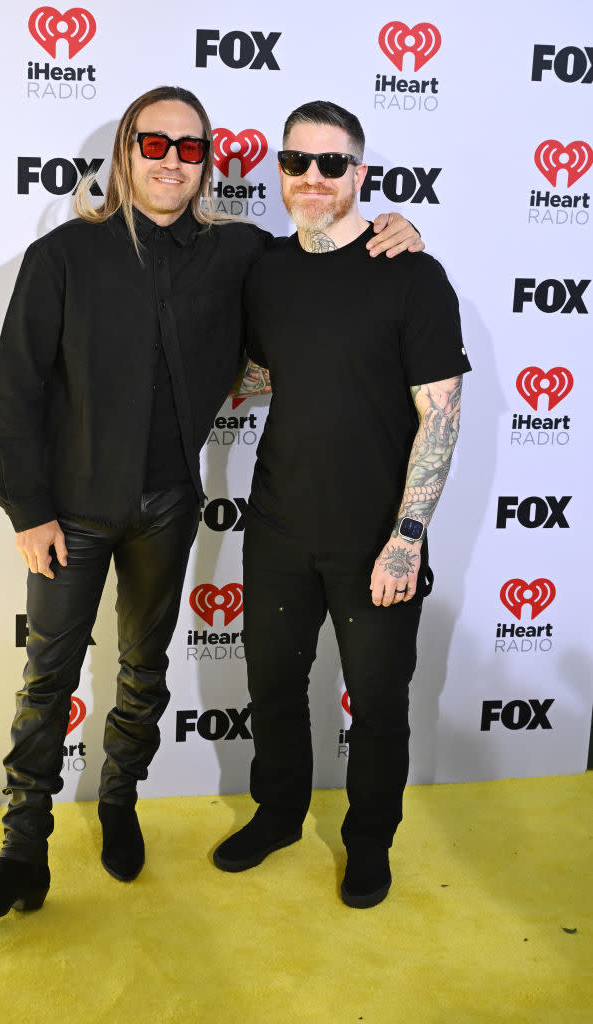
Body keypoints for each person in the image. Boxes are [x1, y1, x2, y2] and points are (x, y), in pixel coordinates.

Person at [0, 86, 422, 920]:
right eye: (154, 143)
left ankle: (121, 804)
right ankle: (23, 851)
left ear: (208, 162)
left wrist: (400, 231)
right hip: (70, 510)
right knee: (45, 680)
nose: (171, 159)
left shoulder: (240, 255)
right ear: (125, 150)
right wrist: (28, 511)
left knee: (142, 671)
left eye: (190, 147)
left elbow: (326, 259)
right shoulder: (60, 256)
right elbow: (12, 395)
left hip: (168, 506)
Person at [212, 100, 471, 909]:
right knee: (275, 688)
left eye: (332, 164)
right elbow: (262, 374)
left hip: (374, 536)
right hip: (280, 524)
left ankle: (368, 844)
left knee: (379, 702)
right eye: (296, 163)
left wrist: (407, 535)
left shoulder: (411, 272)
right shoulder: (265, 270)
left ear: (361, 172)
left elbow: (441, 411)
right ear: (278, 171)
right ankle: (279, 814)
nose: (313, 179)